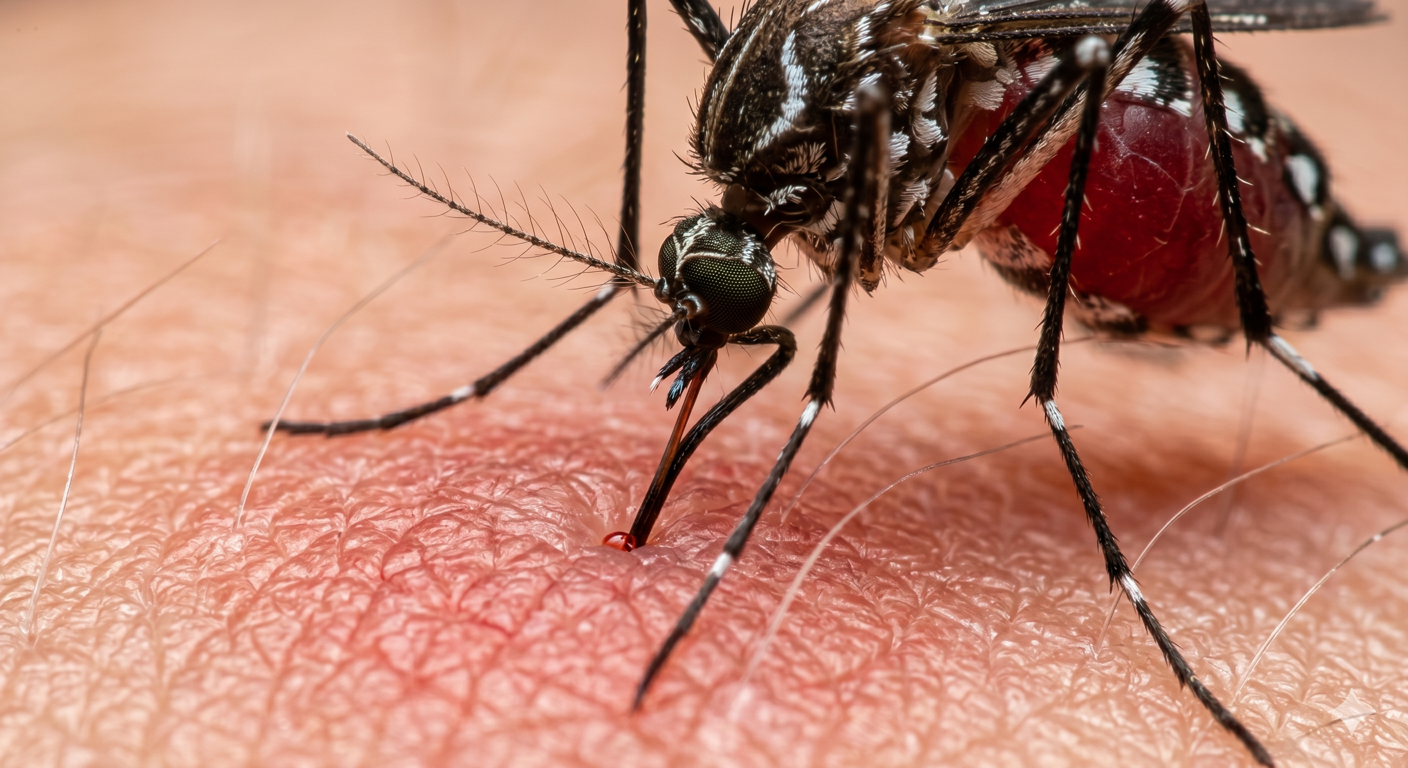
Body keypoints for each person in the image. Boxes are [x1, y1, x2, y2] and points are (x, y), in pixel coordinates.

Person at [2, 1, 1405, 764]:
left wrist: (799, 421)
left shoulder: (857, 123)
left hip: (1161, 149)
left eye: (707, 295)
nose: (708, 325)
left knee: (1124, 25)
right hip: (1032, 129)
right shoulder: (781, 148)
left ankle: (1256, 345)